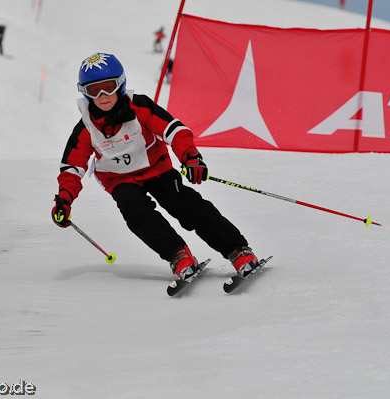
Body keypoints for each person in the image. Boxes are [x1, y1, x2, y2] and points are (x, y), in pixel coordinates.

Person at [51, 52, 259, 282]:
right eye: (94, 90)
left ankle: (237, 250)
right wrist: (64, 200)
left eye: (108, 87)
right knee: (135, 212)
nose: (102, 96)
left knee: (185, 204)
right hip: (120, 180)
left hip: (157, 169)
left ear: (120, 84)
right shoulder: (86, 127)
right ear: (85, 92)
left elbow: (175, 130)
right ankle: (178, 255)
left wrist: (191, 158)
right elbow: (71, 167)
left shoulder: (138, 106)